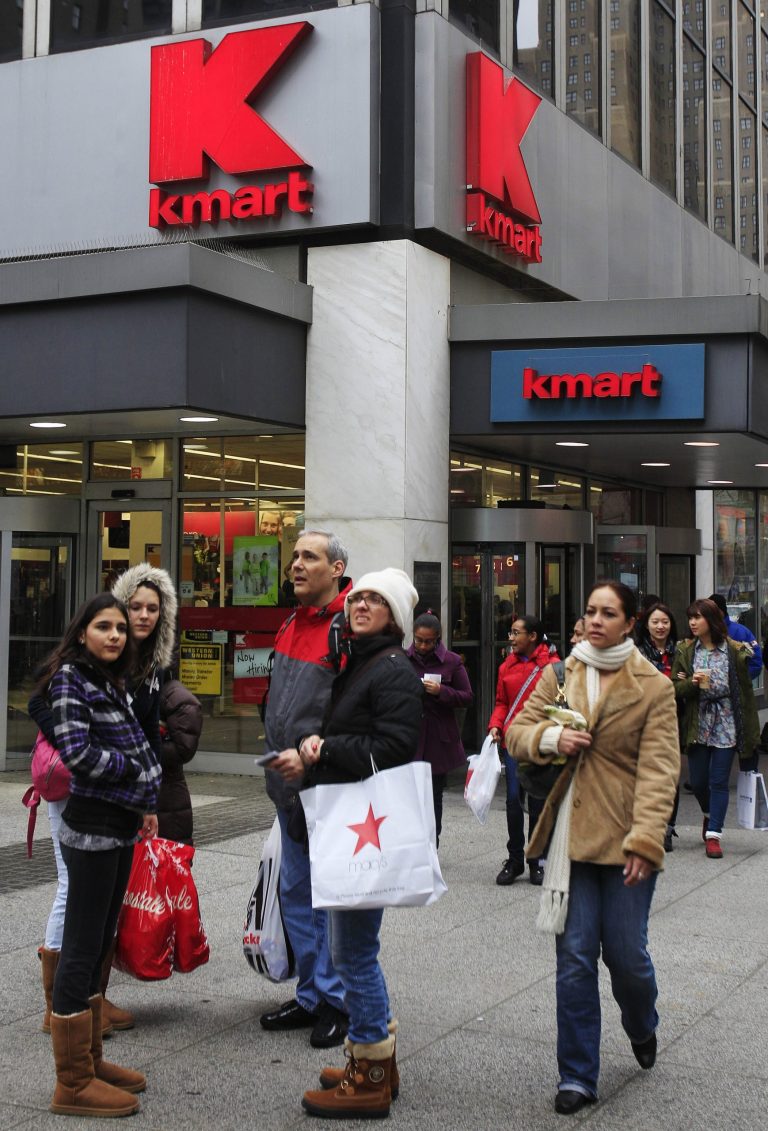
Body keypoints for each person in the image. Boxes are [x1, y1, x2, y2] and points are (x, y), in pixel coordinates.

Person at [508, 580, 680, 1115]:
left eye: (609, 613)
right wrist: (550, 740)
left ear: (630, 622)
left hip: (629, 840)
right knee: (576, 960)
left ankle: (642, 1023)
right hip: (573, 840)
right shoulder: (560, 674)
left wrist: (646, 840)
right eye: (590, 612)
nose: (597, 620)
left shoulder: (653, 687)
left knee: (627, 958)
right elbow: (518, 732)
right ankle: (578, 1075)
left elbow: (660, 772)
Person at [273, 568, 422, 1119]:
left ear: (395, 616)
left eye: (374, 600)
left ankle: (370, 1078)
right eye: (358, 597)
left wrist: (325, 750)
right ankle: (369, 1055)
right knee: (351, 950)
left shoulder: (390, 668)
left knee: (354, 954)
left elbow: (396, 747)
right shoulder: (362, 660)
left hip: (366, 831)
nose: (360, 604)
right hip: (352, 826)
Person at [35, 593, 161, 1117]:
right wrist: (134, 773)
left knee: (100, 939)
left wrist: (143, 803)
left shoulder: (107, 679)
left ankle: (91, 1059)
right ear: (81, 632)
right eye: (103, 626)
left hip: (118, 827)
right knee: (82, 948)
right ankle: (72, 1083)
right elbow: (79, 753)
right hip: (89, 830)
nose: (114, 635)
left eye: (119, 628)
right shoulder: (69, 680)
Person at [260, 530, 352, 1049]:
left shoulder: (347, 628)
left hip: (326, 789)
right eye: (294, 556)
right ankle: (312, 994)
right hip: (286, 788)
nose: (296, 565)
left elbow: (355, 712)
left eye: (309, 557)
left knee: (330, 899)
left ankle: (337, 1000)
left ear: (335, 568)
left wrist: (318, 753)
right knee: (296, 892)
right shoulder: (292, 620)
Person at [672, 597, 759, 858]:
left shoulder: (733, 649)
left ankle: (714, 835)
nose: (692, 622)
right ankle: (709, 815)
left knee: (718, 780)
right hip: (698, 720)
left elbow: (745, 684)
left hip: (727, 720)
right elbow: (676, 688)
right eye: (690, 618)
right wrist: (692, 683)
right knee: (698, 781)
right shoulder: (686, 651)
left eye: (697, 617)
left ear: (711, 620)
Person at [488, 615, 559, 886]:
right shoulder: (507, 665)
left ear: (533, 636)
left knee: (539, 802)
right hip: (513, 742)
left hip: (541, 742)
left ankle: (538, 860)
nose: (511, 637)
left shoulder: (553, 667)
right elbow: (501, 702)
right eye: (511, 632)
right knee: (513, 801)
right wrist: (495, 725)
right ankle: (515, 859)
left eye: (516, 633)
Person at [406, 612, 473, 846]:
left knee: (434, 795)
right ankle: (412, 845)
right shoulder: (404, 659)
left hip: (437, 738)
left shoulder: (452, 661)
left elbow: (466, 696)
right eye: (418, 640)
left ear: (438, 639)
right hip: (410, 736)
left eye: (428, 641)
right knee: (409, 796)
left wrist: (441, 692)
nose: (423, 646)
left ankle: (431, 845)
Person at [634, 602, 680, 851]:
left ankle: (667, 829)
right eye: (655, 622)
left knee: (670, 775)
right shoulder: (637, 652)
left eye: (665, 622)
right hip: (645, 720)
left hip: (674, 720)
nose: (660, 626)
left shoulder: (681, 651)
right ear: (647, 625)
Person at [156, 679, 203, 844]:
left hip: (167, 795)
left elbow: (184, 748)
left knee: (168, 860)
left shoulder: (172, 695)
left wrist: (143, 747)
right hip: (164, 796)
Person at [708, 593, 763, 679]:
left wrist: (738, 682)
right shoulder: (703, 632)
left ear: (720, 611)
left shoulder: (741, 632)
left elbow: (755, 663)